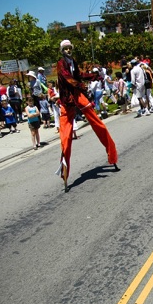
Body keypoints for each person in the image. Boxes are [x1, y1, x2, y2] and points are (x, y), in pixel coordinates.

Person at [56, 39, 118, 191]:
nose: (68, 51)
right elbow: (67, 78)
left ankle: (112, 156)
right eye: (66, 49)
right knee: (65, 137)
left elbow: (78, 75)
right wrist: (81, 85)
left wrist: (93, 76)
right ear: (62, 51)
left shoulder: (73, 62)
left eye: (70, 48)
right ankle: (64, 173)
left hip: (77, 95)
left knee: (97, 123)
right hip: (67, 100)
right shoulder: (61, 64)